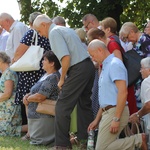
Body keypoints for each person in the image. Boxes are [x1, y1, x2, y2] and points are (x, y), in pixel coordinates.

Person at [33, 14, 95, 149]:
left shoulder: (54, 33)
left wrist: (62, 79)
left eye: (39, 30)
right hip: (88, 66)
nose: (41, 34)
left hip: (78, 68)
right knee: (84, 105)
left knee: (62, 106)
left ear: (44, 24)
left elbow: (65, 57)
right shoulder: (65, 29)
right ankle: (87, 142)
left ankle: (62, 145)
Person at [87, 39, 147, 150]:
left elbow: (123, 92)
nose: (93, 59)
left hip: (115, 112)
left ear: (100, 50)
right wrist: (97, 119)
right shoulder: (106, 65)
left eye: (92, 55)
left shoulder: (114, 64)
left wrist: (116, 118)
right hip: (109, 112)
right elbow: (106, 98)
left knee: (102, 148)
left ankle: (137, 140)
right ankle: (136, 141)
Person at [12, 12, 51, 129]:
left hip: (29, 70)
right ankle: (37, 127)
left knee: (27, 99)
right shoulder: (48, 34)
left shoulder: (31, 33)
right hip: (42, 70)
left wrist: (14, 62)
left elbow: (19, 52)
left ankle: (29, 128)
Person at [23, 51, 61, 145]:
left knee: (39, 143)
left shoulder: (53, 77)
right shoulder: (45, 76)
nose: (42, 62)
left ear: (52, 63)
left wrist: (28, 99)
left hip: (43, 115)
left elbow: (41, 96)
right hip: (36, 115)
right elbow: (35, 92)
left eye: (45, 60)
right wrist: (28, 95)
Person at [120, 22, 150, 110]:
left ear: (132, 32)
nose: (127, 40)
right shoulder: (136, 44)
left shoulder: (145, 41)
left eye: (126, 37)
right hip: (139, 82)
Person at [129, 57, 150, 149]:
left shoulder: (147, 82)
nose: (140, 71)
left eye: (142, 68)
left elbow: (148, 105)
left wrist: (137, 115)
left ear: (148, 69)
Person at [0, 52, 22, 137]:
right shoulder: (5, 73)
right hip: (5, 105)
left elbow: (7, 93)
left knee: (6, 131)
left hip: (10, 104)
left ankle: (32, 129)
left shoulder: (9, 73)